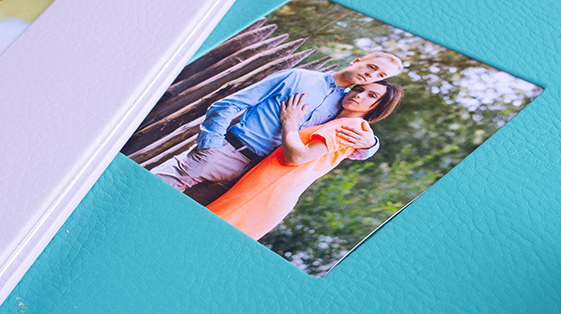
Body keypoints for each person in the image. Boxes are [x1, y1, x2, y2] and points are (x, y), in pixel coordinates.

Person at [152, 52, 404, 200]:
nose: (371, 75)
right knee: (150, 190)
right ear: (357, 60)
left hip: (257, 175)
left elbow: (347, 143)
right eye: (371, 66)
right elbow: (226, 105)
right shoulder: (298, 78)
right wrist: (210, 146)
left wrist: (371, 144)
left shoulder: (347, 106)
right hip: (225, 153)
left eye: (380, 75)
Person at [207, 81, 404, 239]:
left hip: (265, 192)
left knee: (208, 234)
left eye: (371, 96)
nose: (358, 95)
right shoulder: (337, 121)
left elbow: (297, 156)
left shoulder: (352, 126)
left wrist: (289, 121)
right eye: (359, 89)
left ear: (379, 106)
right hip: (261, 186)